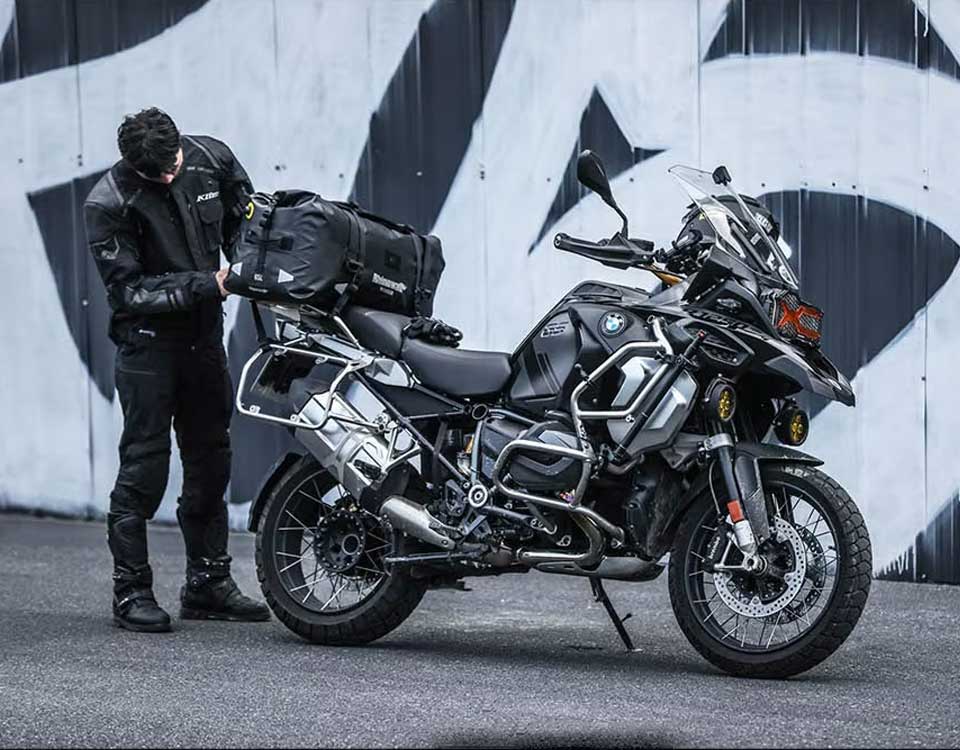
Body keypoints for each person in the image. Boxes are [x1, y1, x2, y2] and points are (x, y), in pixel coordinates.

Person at [84, 107, 269, 632]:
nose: (166, 178)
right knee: (144, 466)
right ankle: (130, 592)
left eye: (171, 166)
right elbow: (128, 291)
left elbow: (247, 223)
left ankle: (208, 584)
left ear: (180, 145)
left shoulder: (213, 158)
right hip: (147, 349)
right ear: (131, 165)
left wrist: (253, 264)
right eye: (153, 174)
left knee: (211, 458)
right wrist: (211, 283)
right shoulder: (108, 202)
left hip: (204, 341)